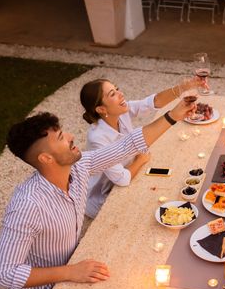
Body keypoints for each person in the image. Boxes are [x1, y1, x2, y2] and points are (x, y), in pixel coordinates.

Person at [0, 99, 194, 289]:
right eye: (62, 138)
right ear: (45, 158)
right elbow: (6, 273)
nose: (72, 137)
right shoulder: (27, 206)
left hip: (72, 259)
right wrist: (70, 272)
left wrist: (173, 116)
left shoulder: (79, 167)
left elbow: (125, 146)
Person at [80, 77, 206, 218]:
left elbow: (153, 102)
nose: (120, 94)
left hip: (130, 172)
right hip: (104, 195)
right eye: (112, 94)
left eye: (116, 89)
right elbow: (122, 179)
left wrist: (182, 88)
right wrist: (141, 159)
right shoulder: (97, 138)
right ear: (101, 109)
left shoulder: (120, 112)